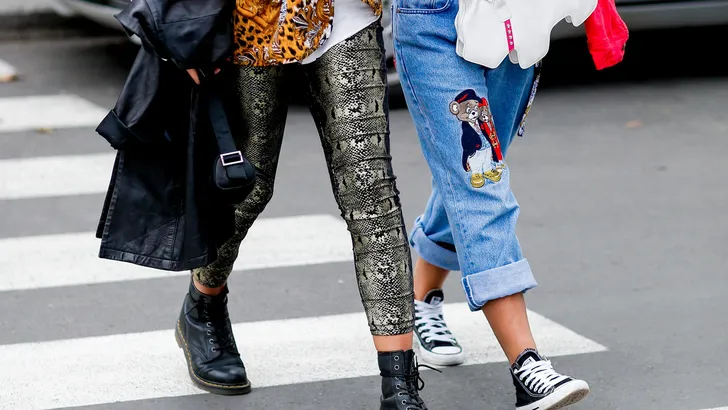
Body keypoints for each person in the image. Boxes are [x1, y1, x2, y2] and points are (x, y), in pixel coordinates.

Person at [175, 0, 431, 408]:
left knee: (371, 195)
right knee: (247, 187)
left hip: (348, 16)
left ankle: (399, 384)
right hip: (254, 18)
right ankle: (203, 305)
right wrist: (182, 28)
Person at [391, 0, 591, 408]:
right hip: (433, 20)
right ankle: (527, 365)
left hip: (516, 17)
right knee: (481, 182)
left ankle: (421, 295)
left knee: (481, 170)